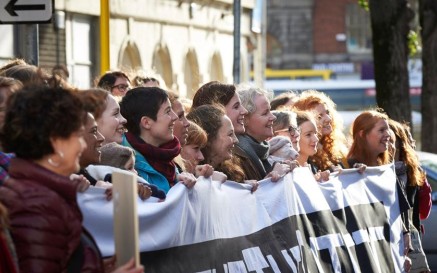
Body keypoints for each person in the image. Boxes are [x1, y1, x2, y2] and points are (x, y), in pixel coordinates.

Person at [0, 85, 143, 273]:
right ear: (55, 141)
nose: (83, 144)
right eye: (77, 135)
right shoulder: (36, 203)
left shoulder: (37, 192)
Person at [120, 87, 196, 193]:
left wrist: (181, 179)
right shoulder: (123, 163)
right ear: (146, 122)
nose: (174, 117)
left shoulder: (166, 157)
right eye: (168, 111)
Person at [235, 85, 291, 181]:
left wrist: (286, 167)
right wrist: (272, 177)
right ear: (245, 119)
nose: (273, 117)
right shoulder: (238, 156)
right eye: (265, 113)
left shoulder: (261, 150)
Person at [293, 89, 348, 172]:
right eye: (319, 116)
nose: (329, 119)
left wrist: (355, 170)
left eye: (328, 112)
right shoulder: (305, 154)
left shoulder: (331, 148)